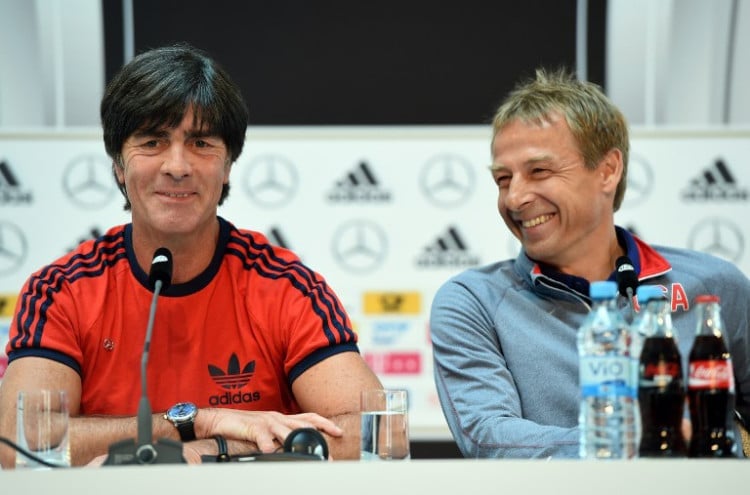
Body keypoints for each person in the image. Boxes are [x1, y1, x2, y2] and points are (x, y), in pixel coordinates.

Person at [0, 43, 382, 467]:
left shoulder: (285, 286)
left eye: (201, 142)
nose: (177, 165)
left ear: (228, 166)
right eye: (152, 141)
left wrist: (209, 451)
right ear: (118, 165)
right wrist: (197, 422)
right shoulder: (62, 291)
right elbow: (17, 443)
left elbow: (370, 434)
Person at [429, 68, 750, 458]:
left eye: (539, 171)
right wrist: (637, 441)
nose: (514, 198)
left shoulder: (716, 286)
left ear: (607, 170)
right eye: (502, 179)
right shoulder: (471, 302)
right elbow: (491, 438)